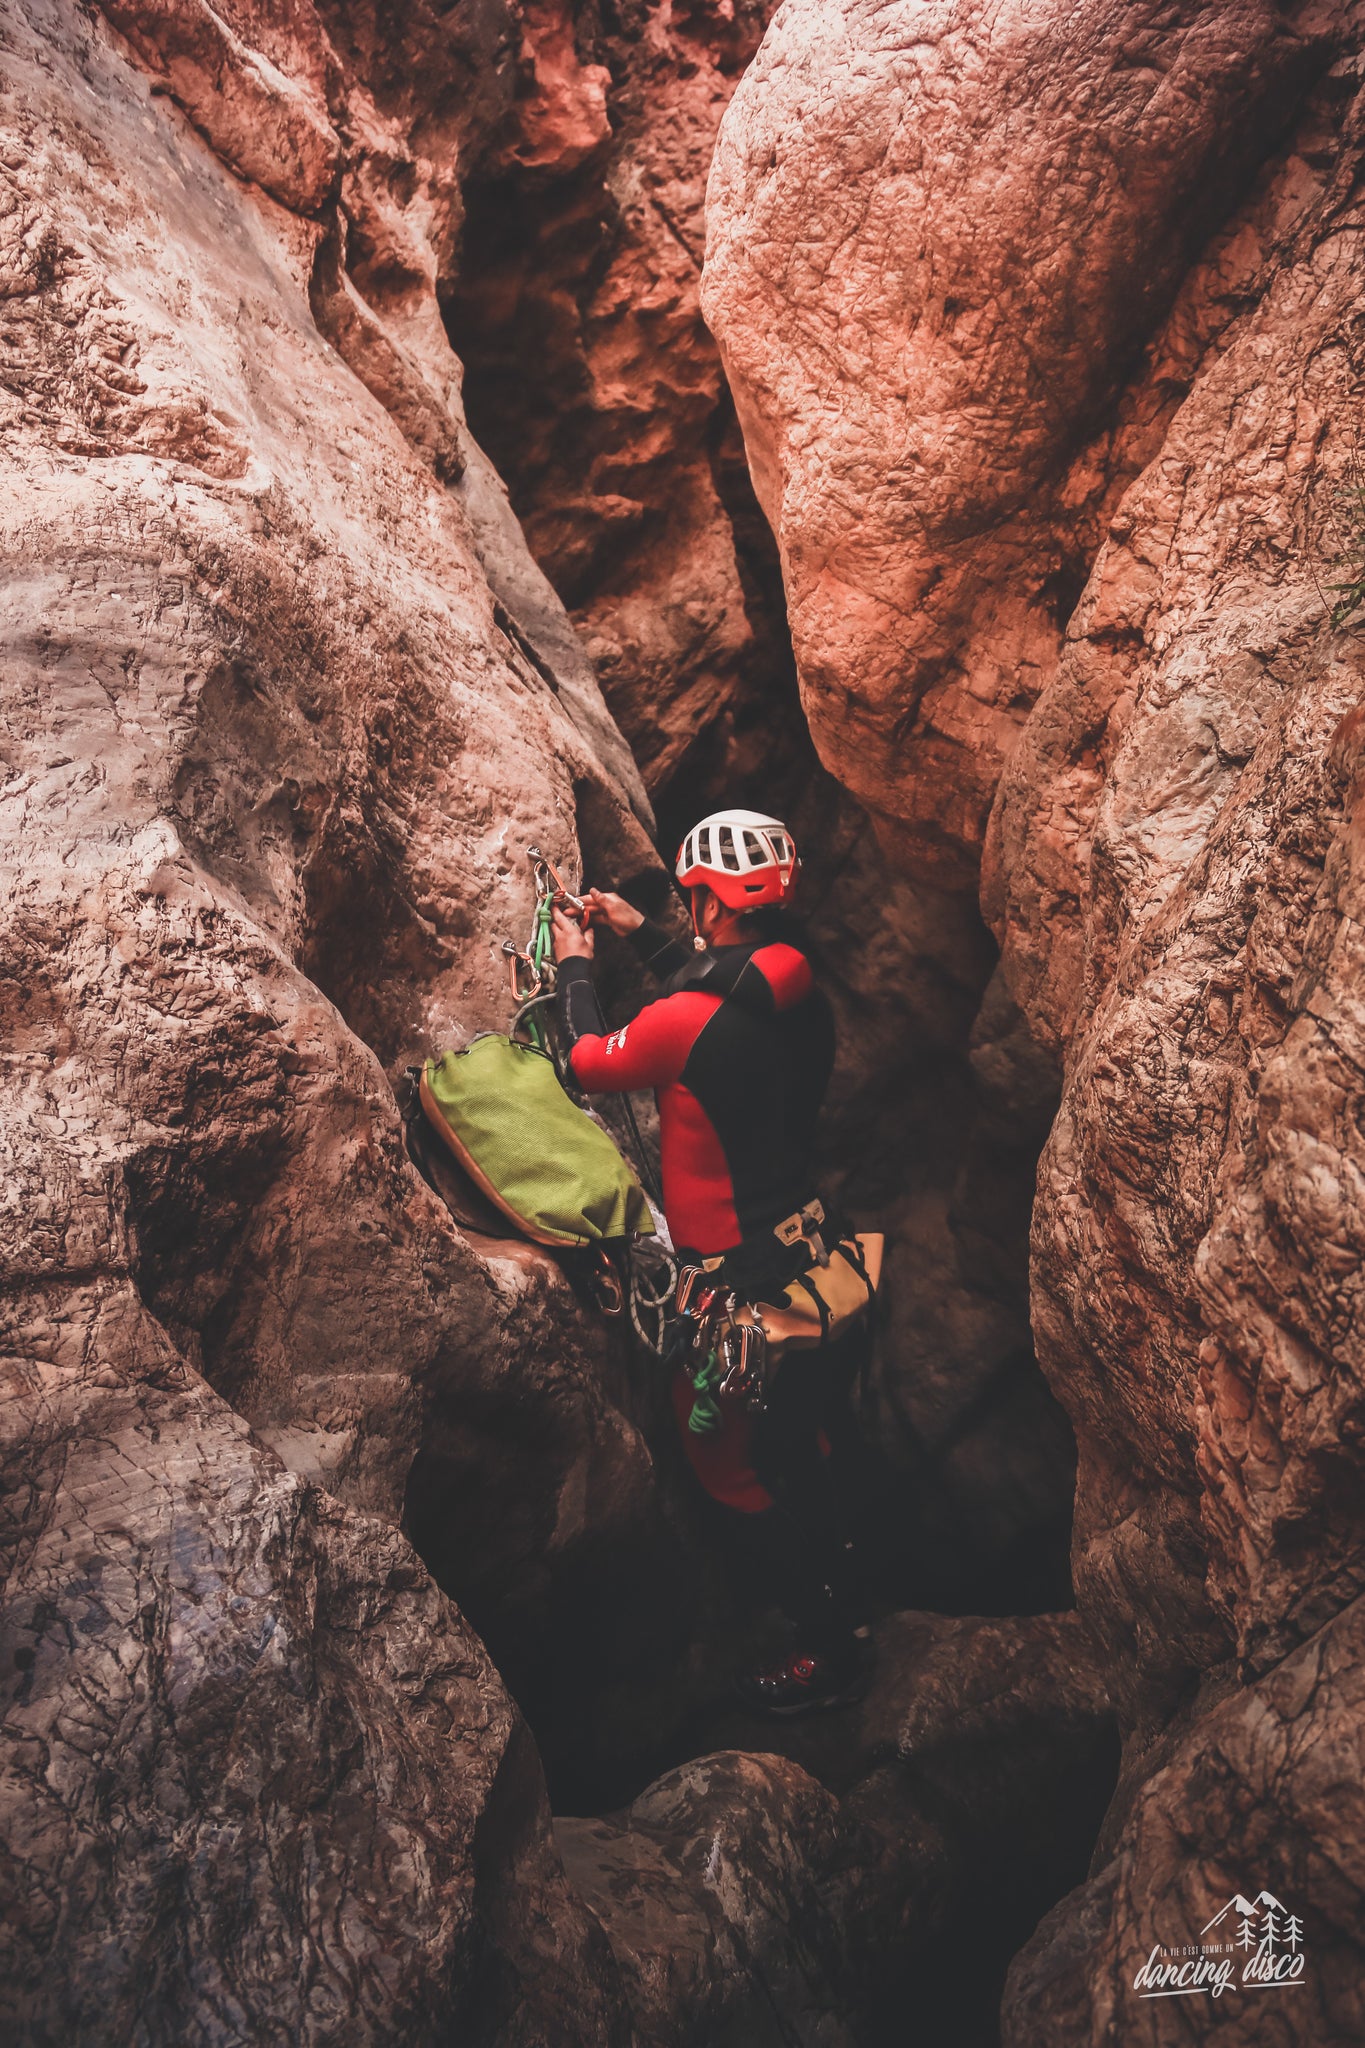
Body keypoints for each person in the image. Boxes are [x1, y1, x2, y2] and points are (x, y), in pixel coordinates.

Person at [552, 808, 878, 1716]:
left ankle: (825, 1645)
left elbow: (587, 1058)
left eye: (691, 901)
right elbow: (711, 1006)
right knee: (805, 1435)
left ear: (707, 897)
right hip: (822, 1257)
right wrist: (641, 932)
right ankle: (851, 1581)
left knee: (726, 1461)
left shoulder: (682, 1020)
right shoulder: (795, 983)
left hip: (743, 1284)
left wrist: (579, 961)